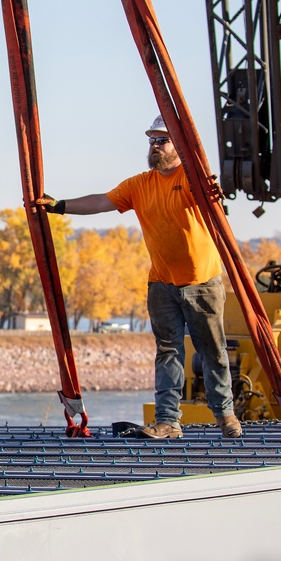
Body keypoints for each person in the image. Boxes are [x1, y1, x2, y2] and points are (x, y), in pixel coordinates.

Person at [39, 115, 242, 439]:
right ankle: (167, 422)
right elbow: (102, 201)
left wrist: (213, 189)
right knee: (168, 351)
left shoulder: (192, 179)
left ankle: (226, 416)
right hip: (161, 283)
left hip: (201, 282)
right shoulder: (140, 185)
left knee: (211, 350)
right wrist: (60, 206)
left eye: (162, 140)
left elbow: (211, 195)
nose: (155, 146)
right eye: (152, 140)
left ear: (181, 146)